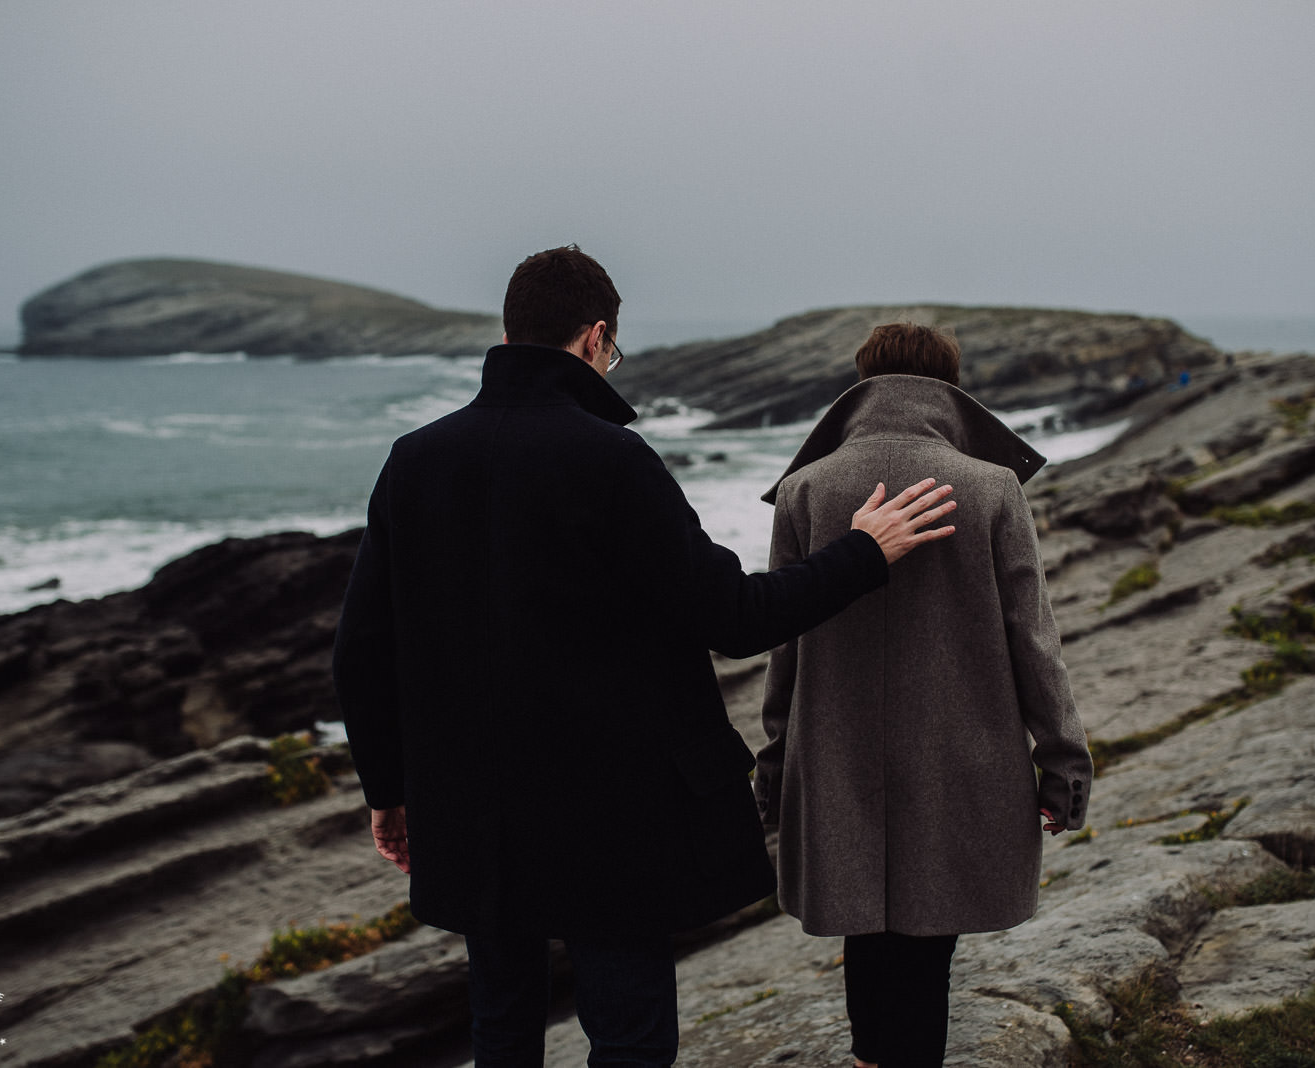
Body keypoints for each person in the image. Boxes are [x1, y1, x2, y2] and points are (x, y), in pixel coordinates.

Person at [331, 247, 959, 1067]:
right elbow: (733, 616)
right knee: (626, 1037)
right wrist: (863, 553)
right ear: (595, 337)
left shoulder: (415, 460)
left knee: (502, 1026)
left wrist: (388, 789)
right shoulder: (610, 459)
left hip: (470, 806)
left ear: (514, 331)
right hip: (609, 814)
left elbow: (361, 648)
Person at [754, 323, 1093, 1068]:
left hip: (834, 758)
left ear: (862, 381)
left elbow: (785, 647)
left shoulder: (805, 489)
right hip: (962, 758)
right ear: (950, 384)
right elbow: (1033, 641)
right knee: (926, 952)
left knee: (864, 938)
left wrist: (775, 768)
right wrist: (1064, 765)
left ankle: (872, 1058)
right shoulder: (991, 486)